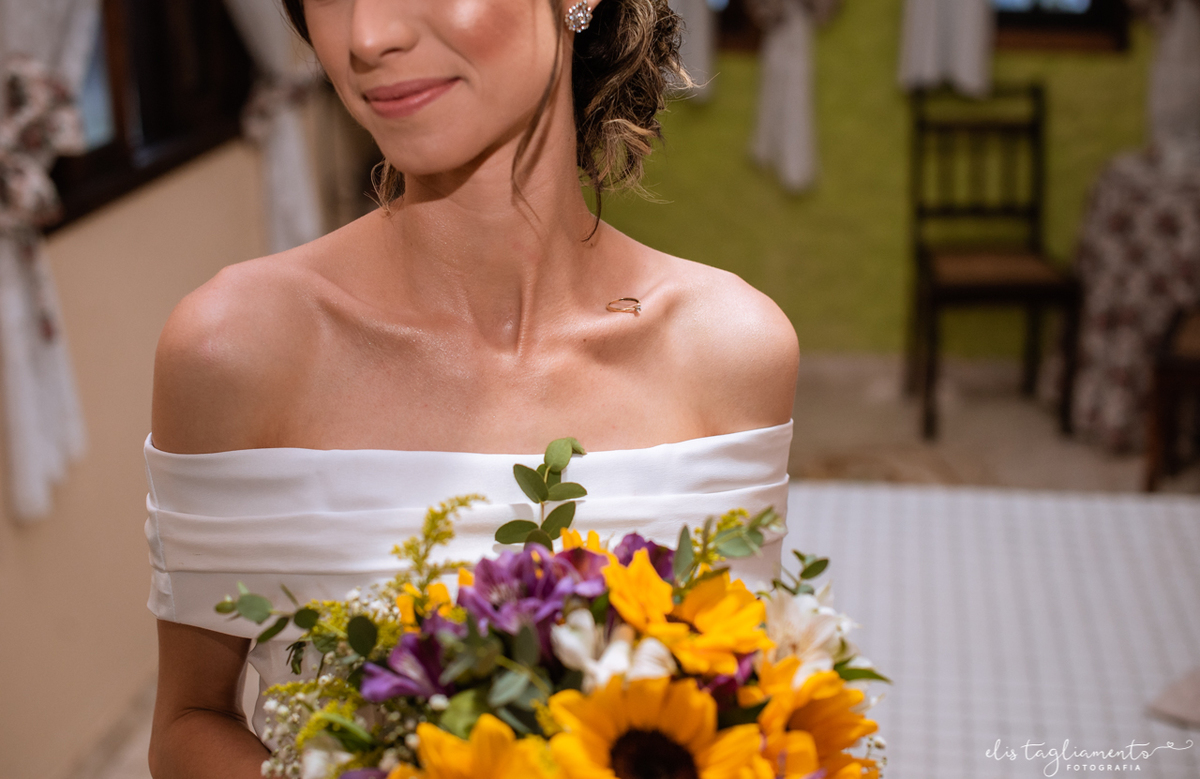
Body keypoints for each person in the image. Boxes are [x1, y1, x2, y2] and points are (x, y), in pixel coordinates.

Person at [145, 1, 798, 777]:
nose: (367, 37)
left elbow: (737, 712)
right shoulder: (235, 350)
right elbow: (189, 721)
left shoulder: (729, 351)